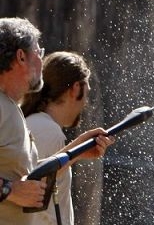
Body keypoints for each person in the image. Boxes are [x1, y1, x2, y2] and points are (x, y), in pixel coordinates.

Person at [0, 18, 113, 225]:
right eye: (38, 53)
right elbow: (17, 187)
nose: (41, 62)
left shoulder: (10, 107)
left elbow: (31, 176)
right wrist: (10, 190)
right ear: (21, 57)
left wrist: (75, 152)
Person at [21, 51, 94, 225]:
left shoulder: (37, 124)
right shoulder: (47, 130)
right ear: (76, 88)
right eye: (87, 94)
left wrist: (78, 150)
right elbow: (30, 186)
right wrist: (77, 147)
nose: (86, 103)